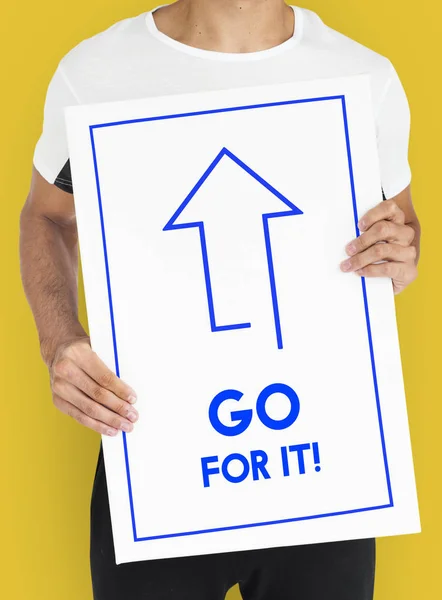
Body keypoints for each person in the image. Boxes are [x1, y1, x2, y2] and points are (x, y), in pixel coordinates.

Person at [20, 1, 421, 599]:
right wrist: (60, 342)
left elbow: (402, 231)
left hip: (325, 463)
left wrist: (400, 255)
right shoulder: (97, 72)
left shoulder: (365, 79)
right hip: (158, 458)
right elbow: (47, 217)